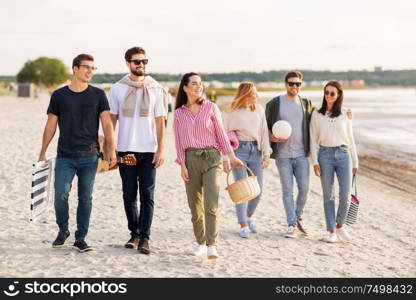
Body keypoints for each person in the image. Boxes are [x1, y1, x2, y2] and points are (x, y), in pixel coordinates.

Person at [38, 54, 116, 252]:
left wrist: (110, 149)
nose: (90, 71)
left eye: (93, 68)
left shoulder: (98, 94)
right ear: (75, 68)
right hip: (65, 155)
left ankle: (80, 238)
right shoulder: (59, 95)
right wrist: (42, 152)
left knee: (85, 198)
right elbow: (50, 125)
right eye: (86, 67)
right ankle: (63, 230)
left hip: (89, 156)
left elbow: (107, 123)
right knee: (60, 194)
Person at [173, 72, 244, 259]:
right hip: (190, 160)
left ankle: (212, 244)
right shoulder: (179, 113)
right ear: (185, 87)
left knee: (211, 203)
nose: (198, 87)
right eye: (194, 84)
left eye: (200, 84)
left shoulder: (211, 107)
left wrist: (231, 156)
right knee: (194, 206)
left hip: (213, 158)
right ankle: (201, 242)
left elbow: (221, 134)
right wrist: (182, 165)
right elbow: (179, 141)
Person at [108, 47, 167, 255]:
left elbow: (160, 122)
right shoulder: (117, 88)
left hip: (149, 150)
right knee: (129, 194)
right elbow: (111, 120)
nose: (141, 64)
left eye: (144, 61)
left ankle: (145, 237)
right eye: (136, 61)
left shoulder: (156, 89)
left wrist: (161, 150)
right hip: (125, 149)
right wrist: (110, 148)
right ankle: (134, 233)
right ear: (127, 63)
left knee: (148, 195)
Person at [265, 71, 314, 238]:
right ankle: (291, 224)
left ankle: (297, 216)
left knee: (305, 189)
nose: (295, 86)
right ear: (285, 84)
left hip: (301, 155)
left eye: (298, 84)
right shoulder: (275, 103)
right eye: (292, 83)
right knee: (287, 191)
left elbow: (321, 117)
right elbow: (264, 126)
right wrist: (270, 137)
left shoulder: (306, 103)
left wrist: (345, 113)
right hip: (283, 155)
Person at [310, 81, 358, 243]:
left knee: (345, 195)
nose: (329, 96)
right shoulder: (316, 114)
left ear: (338, 96)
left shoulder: (345, 113)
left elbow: (351, 138)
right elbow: (312, 139)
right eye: (326, 93)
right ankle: (331, 230)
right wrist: (314, 161)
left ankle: (340, 225)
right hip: (325, 156)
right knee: (328, 196)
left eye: (332, 93)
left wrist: (355, 162)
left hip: (344, 155)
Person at [223, 82, 271, 238]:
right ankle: (242, 224)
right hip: (238, 151)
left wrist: (266, 154)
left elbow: (264, 133)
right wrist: (226, 158)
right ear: (245, 95)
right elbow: (224, 136)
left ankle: (249, 217)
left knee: (258, 191)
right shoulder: (232, 112)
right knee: (242, 191)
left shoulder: (259, 110)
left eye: (257, 93)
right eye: (253, 94)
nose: (256, 96)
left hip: (255, 151)